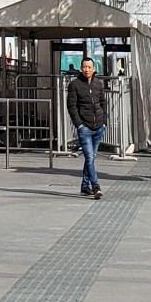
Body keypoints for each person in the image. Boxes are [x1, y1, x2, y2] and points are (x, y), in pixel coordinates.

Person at [67, 56, 107, 199]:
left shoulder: (98, 84)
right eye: (84, 67)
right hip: (85, 127)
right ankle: (95, 186)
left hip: (98, 126)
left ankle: (85, 186)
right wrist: (79, 124)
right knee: (89, 157)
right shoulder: (75, 85)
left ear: (94, 69)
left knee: (91, 158)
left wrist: (104, 121)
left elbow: (103, 102)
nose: (87, 70)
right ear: (81, 68)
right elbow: (71, 106)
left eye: (89, 67)